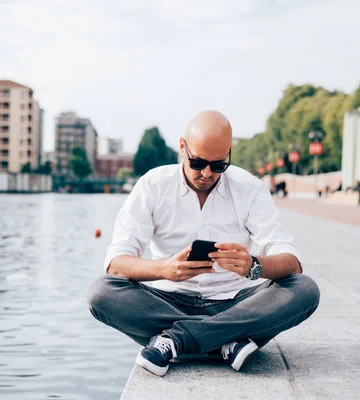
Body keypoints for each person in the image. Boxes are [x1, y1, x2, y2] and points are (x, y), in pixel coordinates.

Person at [88, 110, 320, 377]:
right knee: (101, 292)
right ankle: (225, 341)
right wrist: (163, 269)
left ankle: (175, 340)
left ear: (229, 153)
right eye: (198, 162)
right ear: (182, 147)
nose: (208, 173)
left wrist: (254, 265)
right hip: (168, 302)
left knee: (304, 290)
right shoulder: (153, 185)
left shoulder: (249, 188)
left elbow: (291, 261)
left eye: (219, 165)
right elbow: (116, 263)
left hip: (236, 303)